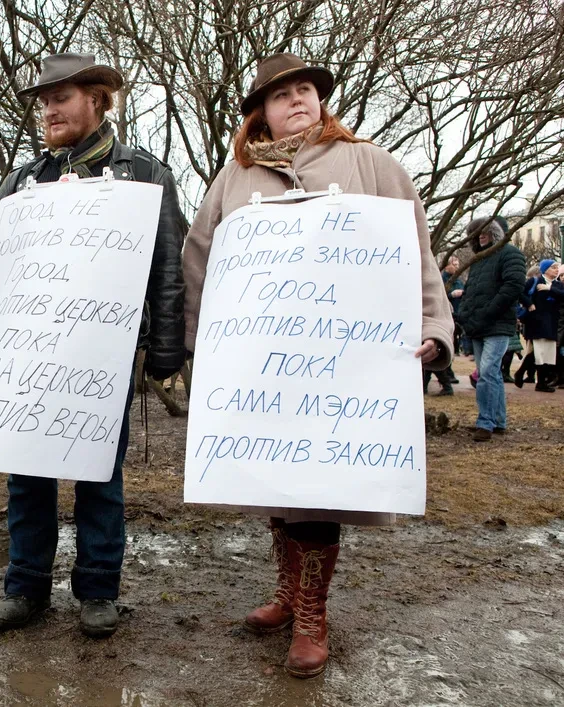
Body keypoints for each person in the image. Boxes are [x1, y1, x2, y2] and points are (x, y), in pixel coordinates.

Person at [182, 53, 453, 678]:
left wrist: (434, 326)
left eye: (306, 89)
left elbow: (415, 252)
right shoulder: (233, 179)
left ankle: (312, 614)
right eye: (282, 95)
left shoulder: (370, 163)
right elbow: (200, 260)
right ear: (261, 113)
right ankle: (288, 592)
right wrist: (200, 342)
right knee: (275, 482)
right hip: (261, 366)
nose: (298, 100)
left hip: (343, 366)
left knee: (321, 488)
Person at [0, 53, 186, 638]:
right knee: (25, 474)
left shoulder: (144, 174)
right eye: (44, 101)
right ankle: (25, 586)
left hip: (102, 356)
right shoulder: (23, 180)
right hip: (27, 354)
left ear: (97, 100)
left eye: (62, 98)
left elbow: (167, 268)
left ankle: (98, 589)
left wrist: (166, 349)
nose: (49, 110)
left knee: (99, 475)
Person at [455, 217, 526, 439]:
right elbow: (470, 291)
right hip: (477, 325)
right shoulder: (479, 259)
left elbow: (513, 286)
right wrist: (464, 315)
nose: (480, 236)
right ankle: (498, 420)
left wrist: (487, 312)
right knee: (491, 373)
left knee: (486, 372)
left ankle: (485, 422)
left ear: (495, 232)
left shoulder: (510, 253)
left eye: (484, 231)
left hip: (497, 325)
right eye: (476, 233)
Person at [518, 260, 563, 392]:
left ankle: (521, 373)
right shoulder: (534, 281)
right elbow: (520, 293)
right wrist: (529, 304)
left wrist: (550, 289)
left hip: (552, 323)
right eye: (553, 267)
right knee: (540, 352)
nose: (556, 270)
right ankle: (541, 382)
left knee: (548, 353)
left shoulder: (557, 285)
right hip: (537, 322)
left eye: (557, 267)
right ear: (545, 269)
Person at [425, 256, 463, 394]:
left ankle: (444, 384)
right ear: (447, 265)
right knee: (431, 353)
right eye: (455, 264)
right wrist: (451, 295)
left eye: (458, 264)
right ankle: (440, 384)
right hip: (438, 317)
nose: (457, 267)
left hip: (451, 318)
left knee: (435, 352)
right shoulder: (440, 279)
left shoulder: (458, 281)